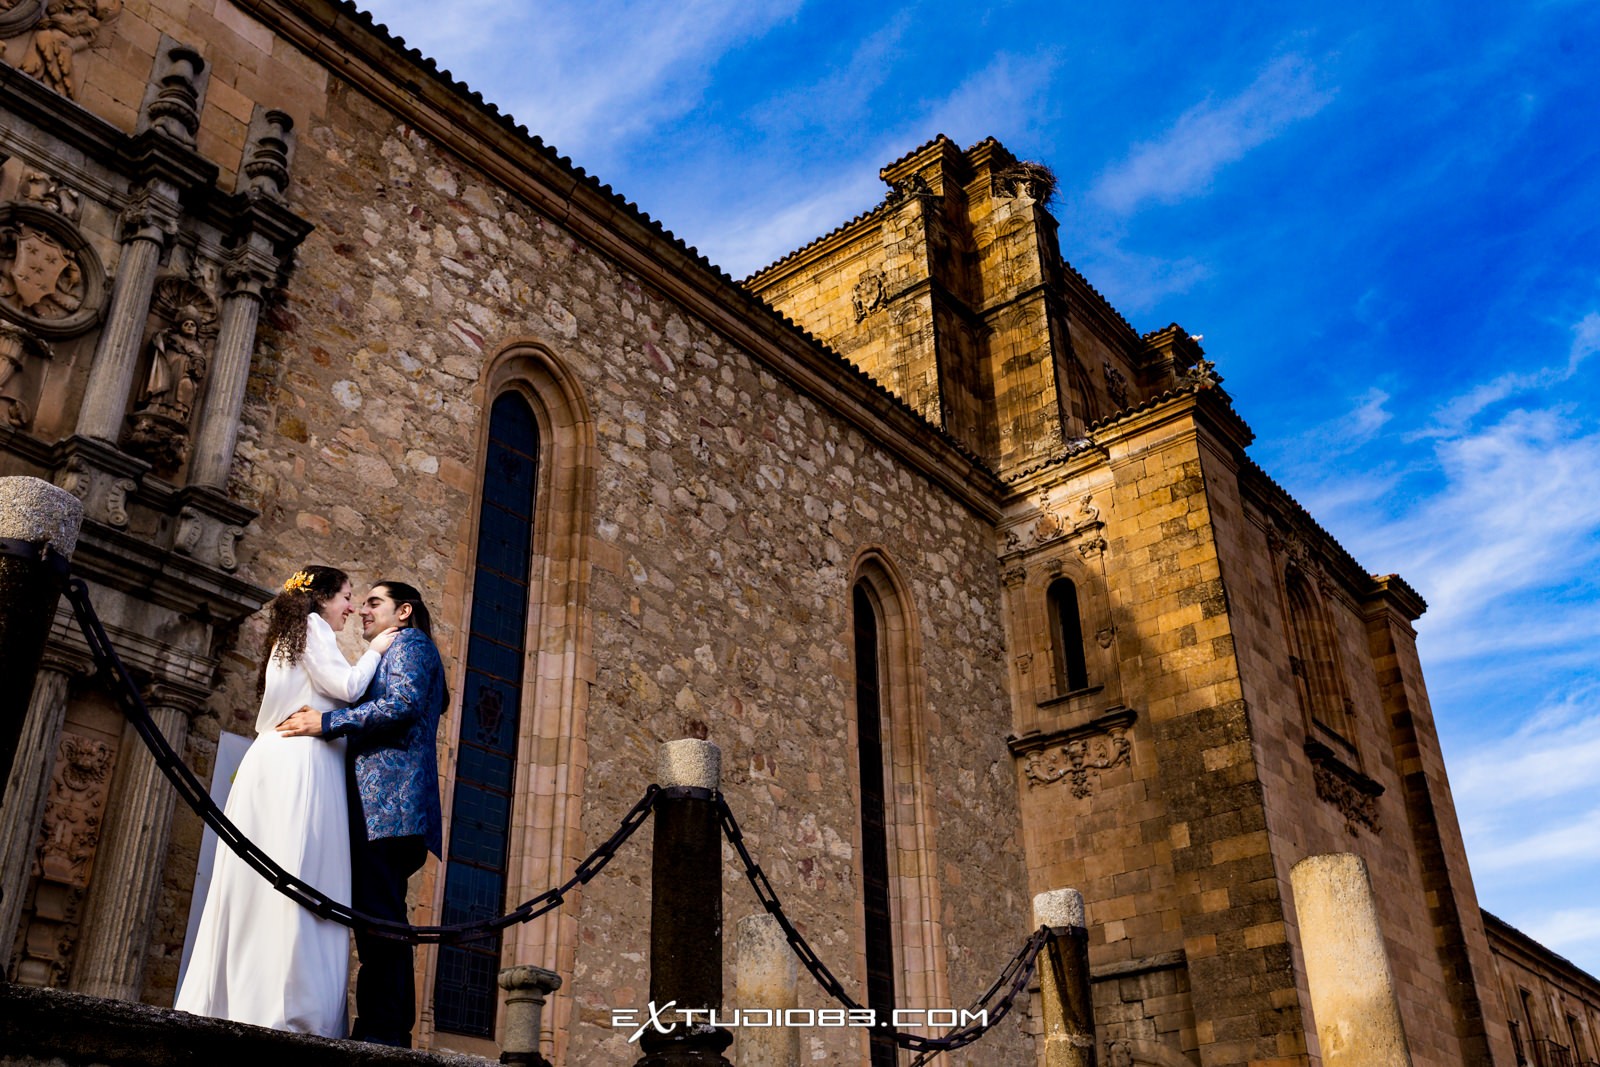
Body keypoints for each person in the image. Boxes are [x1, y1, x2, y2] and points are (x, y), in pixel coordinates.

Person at [174, 565, 398, 1036]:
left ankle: (240, 1000)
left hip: (278, 764)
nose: (352, 608)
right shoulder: (314, 628)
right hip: (301, 766)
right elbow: (349, 688)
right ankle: (291, 1015)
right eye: (346, 597)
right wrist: (379, 646)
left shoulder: (293, 636)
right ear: (321, 600)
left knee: (265, 884)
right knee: (302, 875)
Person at [276, 580, 445, 1047]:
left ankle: (386, 1031)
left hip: (388, 807)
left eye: (375, 603)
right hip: (383, 807)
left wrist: (325, 722)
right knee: (375, 920)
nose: (364, 612)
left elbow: (403, 705)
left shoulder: (411, 645)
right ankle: (379, 1025)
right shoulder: (400, 649)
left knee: (382, 920)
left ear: (404, 611)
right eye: (363, 603)